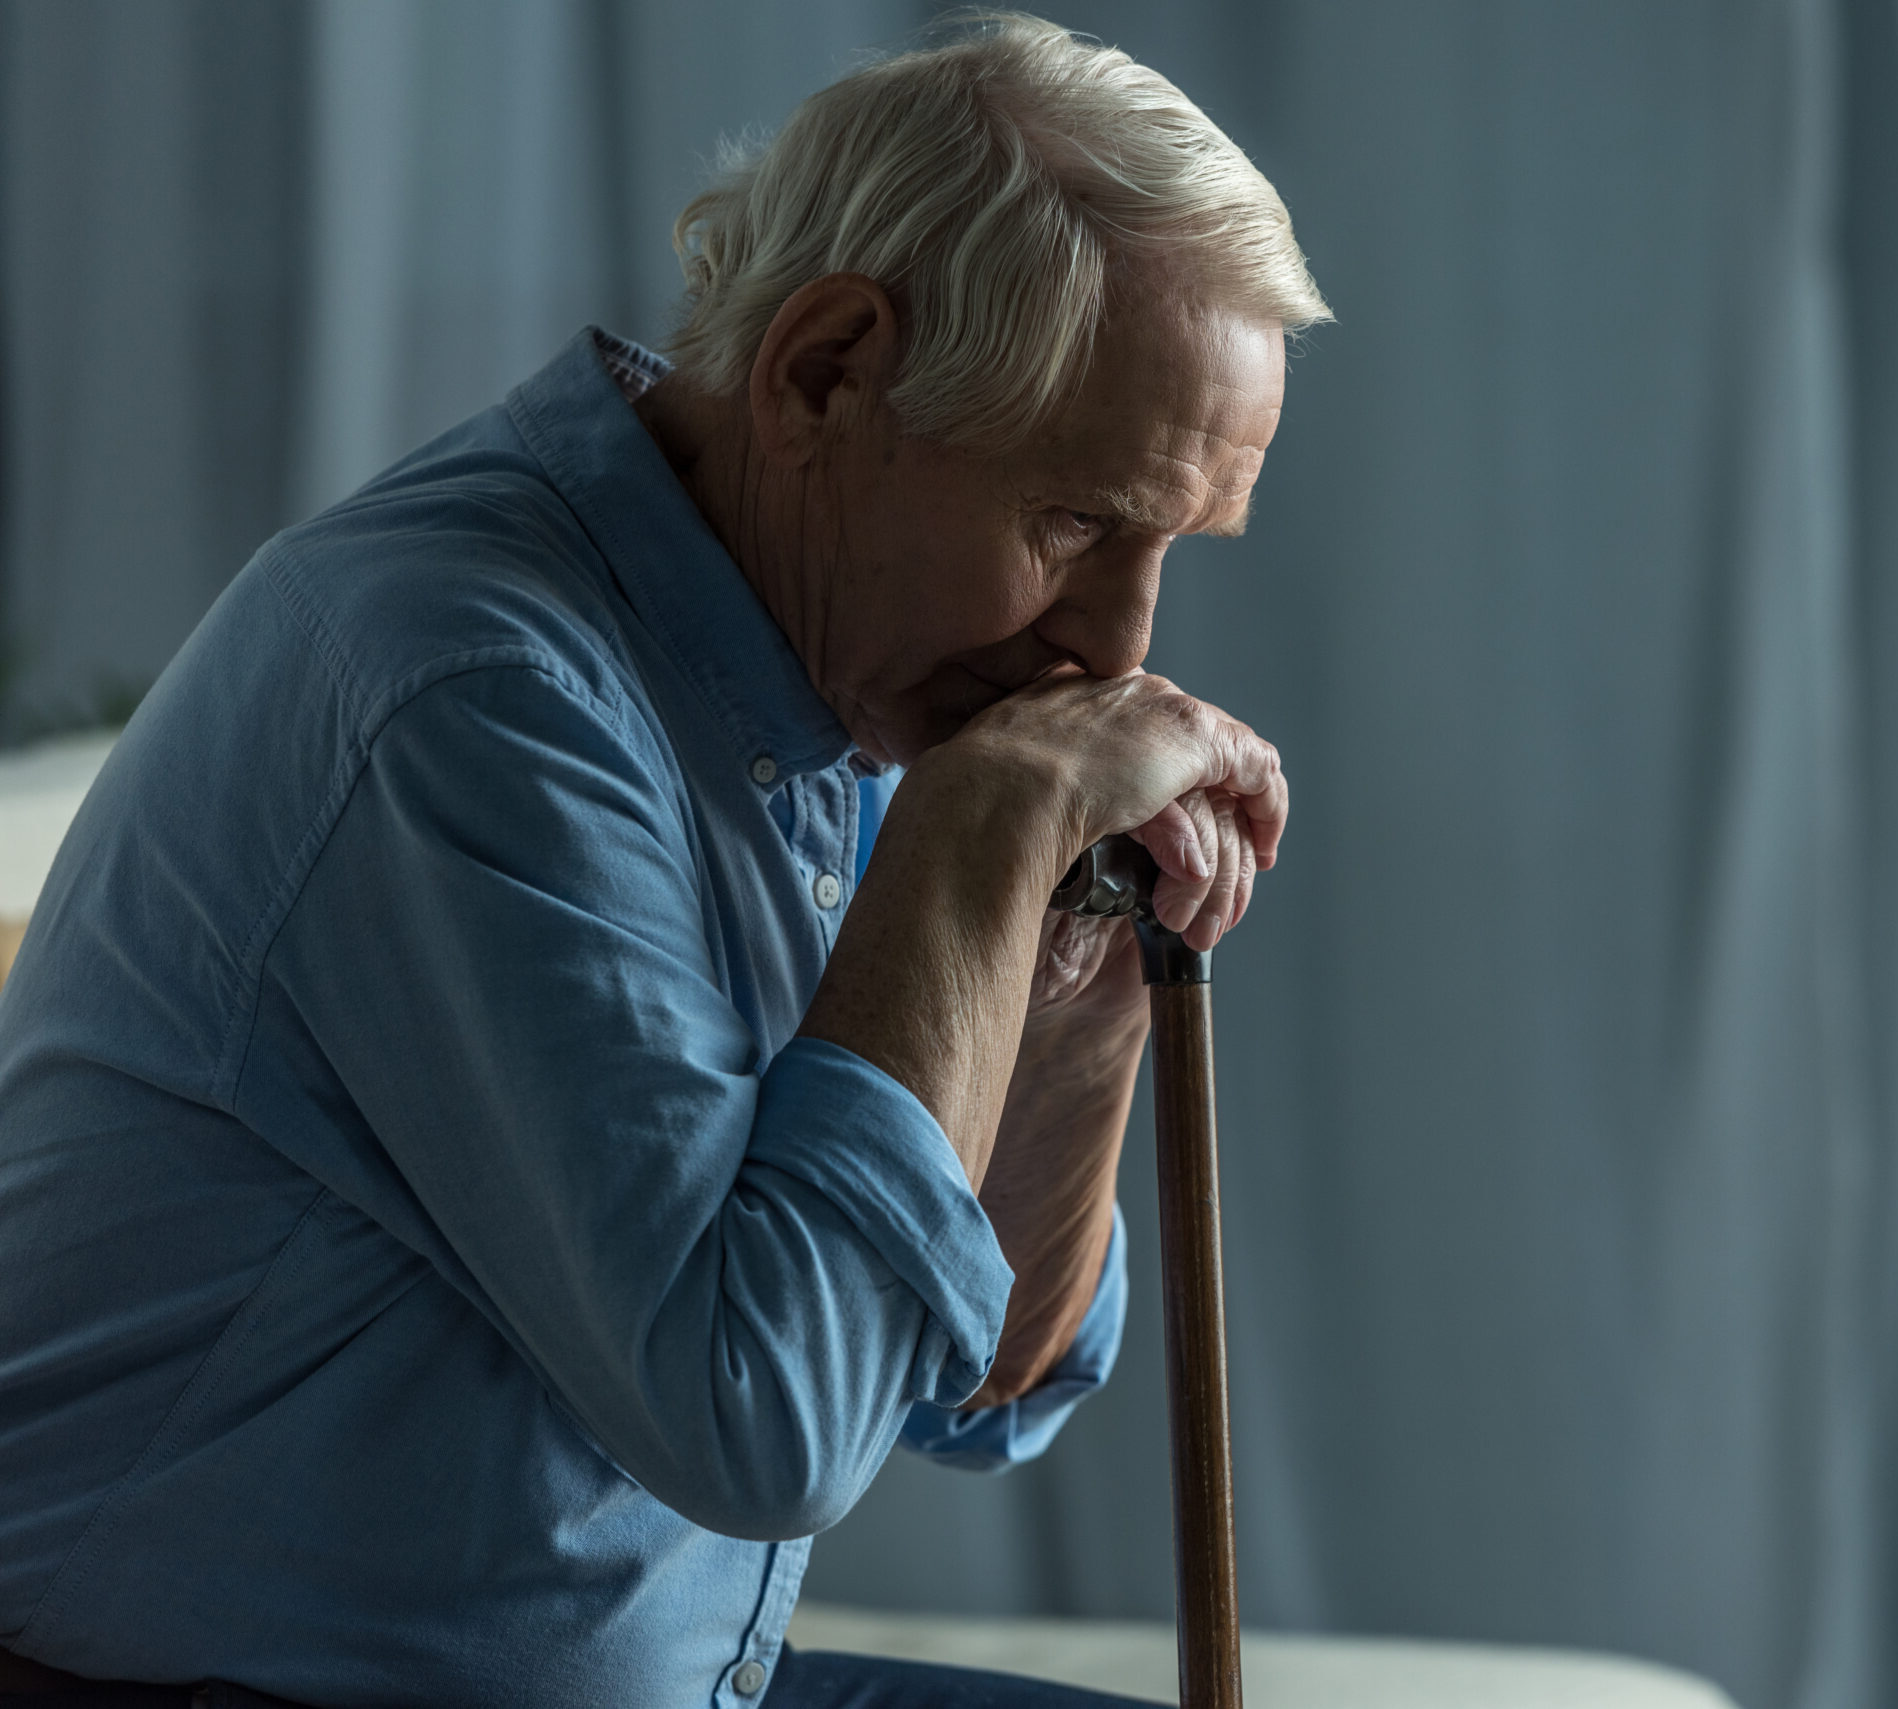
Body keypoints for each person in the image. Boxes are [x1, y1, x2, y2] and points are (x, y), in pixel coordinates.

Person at [0, 15, 1328, 1707]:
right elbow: (763, 1420)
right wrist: (984, 838)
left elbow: (973, 1376)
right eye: (1074, 523)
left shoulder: (841, 668)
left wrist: (1076, 971)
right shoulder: (477, 687)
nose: (1118, 644)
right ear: (824, 370)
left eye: (1167, 546)